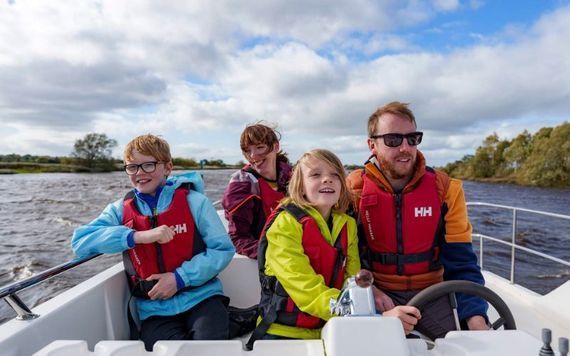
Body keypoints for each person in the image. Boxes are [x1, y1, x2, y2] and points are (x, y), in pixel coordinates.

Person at [71, 134, 235, 351]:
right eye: (132, 167)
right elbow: (80, 242)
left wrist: (179, 279)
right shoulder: (119, 210)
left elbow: (222, 250)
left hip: (203, 299)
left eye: (148, 165)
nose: (139, 173)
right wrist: (135, 236)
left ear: (167, 167)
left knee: (207, 349)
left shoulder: (195, 202)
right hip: (154, 310)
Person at [247, 149, 419, 349]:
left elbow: (353, 280)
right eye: (316, 175)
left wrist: (375, 310)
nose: (327, 180)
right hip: (283, 333)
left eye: (334, 175)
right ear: (300, 185)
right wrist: (371, 317)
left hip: (334, 327)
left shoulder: (347, 225)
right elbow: (307, 290)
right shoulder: (284, 225)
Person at [346, 101, 489, 340]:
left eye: (412, 139)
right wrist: (369, 289)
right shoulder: (352, 190)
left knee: (458, 347)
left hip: (433, 293)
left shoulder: (446, 190)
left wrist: (476, 318)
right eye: (393, 140)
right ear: (372, 145)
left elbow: (462, 262)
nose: (405, 148)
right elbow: (343, 258)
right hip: (375, 291)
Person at [222, 122, 292, 259]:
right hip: (270, 254)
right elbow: (239, 238)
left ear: (276, 147)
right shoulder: (241, 186)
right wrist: (275, 254)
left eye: (260, 147)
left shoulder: (294, 177)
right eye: (247, 150)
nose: (253, 155)